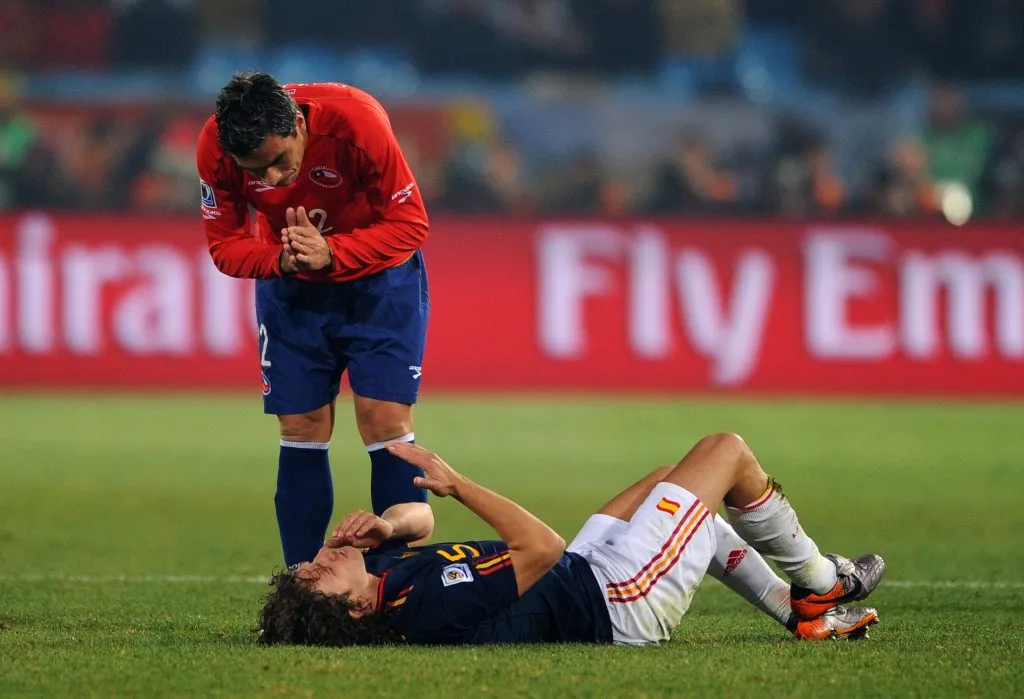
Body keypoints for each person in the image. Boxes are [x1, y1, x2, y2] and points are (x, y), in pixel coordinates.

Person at [257, 434, 885, 645]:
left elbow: (421, 523)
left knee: (666, 482)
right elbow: (542, 548)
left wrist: (391, 526)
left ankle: (797, 613)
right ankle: (820, 582)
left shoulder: (383, 576)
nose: (322, 556)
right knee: (725, 452)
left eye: (308, 563)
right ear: (355, 608)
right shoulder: (425, 604)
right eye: (321, 573)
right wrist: (458, 484)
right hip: (616, 599)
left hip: (583, 573)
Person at [196, 72, 433, 569]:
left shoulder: (358, 122)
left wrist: (333, 252)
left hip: (379, 284)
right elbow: (224, 246)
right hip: (293, 287)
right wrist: (280, 260)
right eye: (256, 170)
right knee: (301, 425)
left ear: (299, 126)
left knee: (385, 420)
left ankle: (394, 583)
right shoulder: (215, 147)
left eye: (280, 160)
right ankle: (301, 584)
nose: (273, 180)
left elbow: (411, 223)